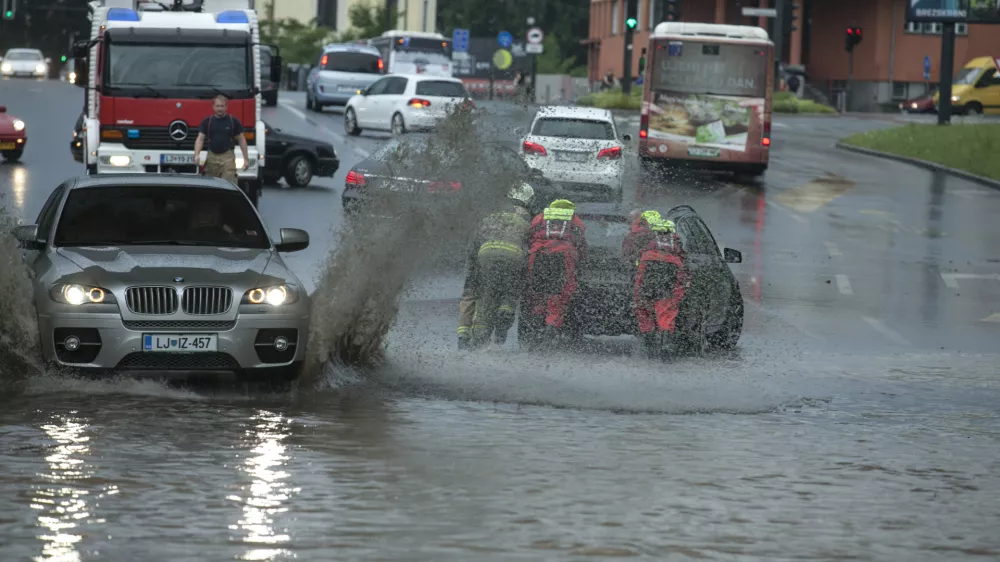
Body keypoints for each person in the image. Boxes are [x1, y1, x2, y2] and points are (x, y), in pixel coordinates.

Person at [457, 182, 535, 350]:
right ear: (528, 201)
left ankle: (477, 339)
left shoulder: (489, 217)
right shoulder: (526, 220)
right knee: (512, 287)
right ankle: (506, 310)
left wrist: (472, 273)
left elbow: (473, 246)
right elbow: (531, 248)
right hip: (514, 257)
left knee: (486, 295)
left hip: (486, 255)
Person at [622, 210, 690, 354]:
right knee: (667, 310)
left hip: (647, 271)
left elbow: (628, 256)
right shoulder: (675, 245)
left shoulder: (640, 239)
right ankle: (666, 344)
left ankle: (649, 343)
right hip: (670, 272)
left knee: (642, 306)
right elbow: (683, 270)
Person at [524, 199, 588, 343]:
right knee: (560, 294)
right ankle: (551, 328)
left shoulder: (541, 216)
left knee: (537, 292)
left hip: (538, 255)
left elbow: (529, 236)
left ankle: (536, 326)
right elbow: (581, 243)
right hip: (564, 255)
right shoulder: (574, 219)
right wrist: (582, 258)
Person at [193, 94, 250, 186]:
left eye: (222, 106)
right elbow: (200, 139)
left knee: (228, 184)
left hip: (227, 157)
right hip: (212, 157)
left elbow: (241, 140)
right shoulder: (208, 121)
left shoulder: (233, 121)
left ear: (226, 107)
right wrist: (196, 155)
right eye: (217, 106)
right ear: (213, 107)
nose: (220, 109)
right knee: (210, 185)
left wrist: (246, 159)